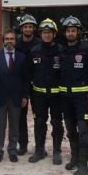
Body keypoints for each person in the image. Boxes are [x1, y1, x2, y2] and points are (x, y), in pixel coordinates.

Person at [58, 16, 88, 175]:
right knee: (70, 129)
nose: (71, 33)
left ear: (78, 32)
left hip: (81, 98)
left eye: (73, 30)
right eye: (68, 31)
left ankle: (84, 164)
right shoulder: (61, 50)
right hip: (65, 97)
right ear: (65, 33)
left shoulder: (87, 49)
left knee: (83, 130)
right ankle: (75, 157)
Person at [27, 18, 64, 164]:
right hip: (39, 94)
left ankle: (57, 151)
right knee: (39, 122)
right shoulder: (34, 51)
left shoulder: (61, 51)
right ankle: (39, 150)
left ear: (54, 34)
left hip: (57, 95)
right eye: (44, 32)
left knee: (57, 123)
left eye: (49, 32)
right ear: (40, 34)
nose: (46, 35)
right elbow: (29, 73)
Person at [0, 29, 29, 162]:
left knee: (15, 126)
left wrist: (25, 96)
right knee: (0, 126)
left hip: (16, 98)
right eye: (7, 39)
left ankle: (12, 149)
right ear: (3, 41)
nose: (9, 41)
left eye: (12, 39)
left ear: (15, 41)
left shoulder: (22, 57)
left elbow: (25, 79)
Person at [15, 14, 41, 155]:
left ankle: (39, 146)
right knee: (21, 117)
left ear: (34, 28)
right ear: (22, 28)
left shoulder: (39, 43)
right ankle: (23, 144)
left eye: (30, 26)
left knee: (39, 116)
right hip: (21, 85)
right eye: (26, 26)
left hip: (37, 84)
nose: (28, 29)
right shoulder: (17, 45)